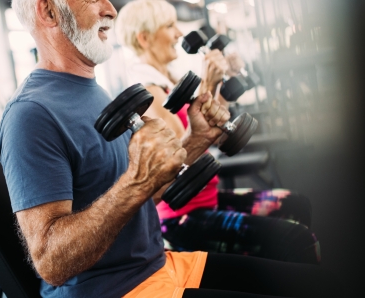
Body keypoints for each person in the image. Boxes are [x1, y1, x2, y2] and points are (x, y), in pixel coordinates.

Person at [0, 0, 341, 297]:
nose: (110, 10)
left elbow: (147, 193)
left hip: (163, 265)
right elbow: (51, 263)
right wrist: (135, 182)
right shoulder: (30, 115)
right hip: (120, 291)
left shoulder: (93, 91)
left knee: (318, 285)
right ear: (48, 11)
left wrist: (196, 140)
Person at [116, 0, 319, 264]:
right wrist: (208, 85)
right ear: (144, 38)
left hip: (208, 199)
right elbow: (183, 153)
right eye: (169, 26)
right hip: (182, 218)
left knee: (296, 204)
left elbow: (216, 133)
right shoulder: (147, 92)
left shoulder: (170, 81)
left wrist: (223, 82)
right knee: (298, 240)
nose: (178, 33)